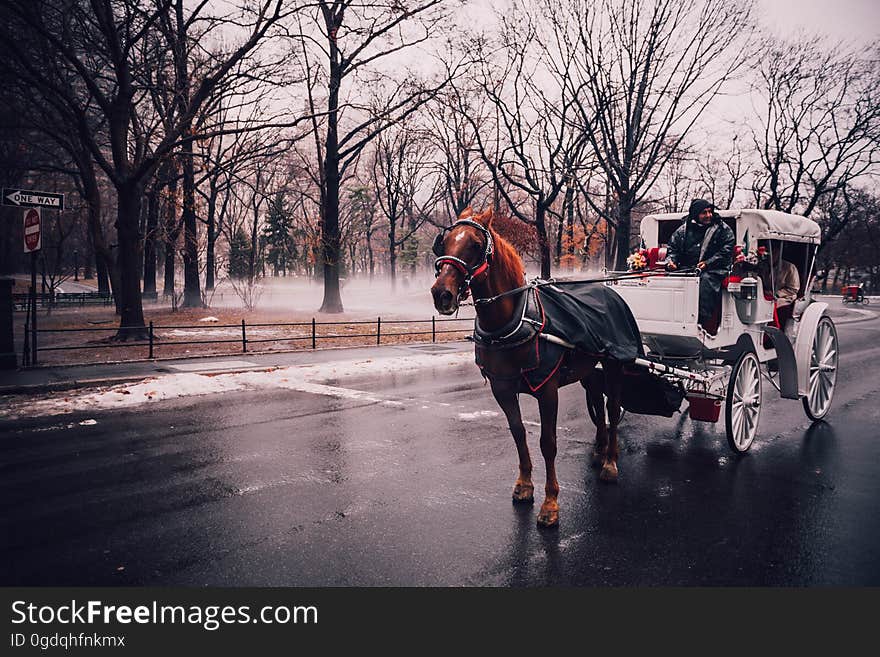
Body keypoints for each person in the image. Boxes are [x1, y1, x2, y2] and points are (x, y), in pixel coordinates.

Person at [665, 199, 736, 334]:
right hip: (688, 268)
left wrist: (708, 263)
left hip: (714, 269)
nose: (709, 215)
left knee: (705, 280)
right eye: (704, 213)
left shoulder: (722, 229)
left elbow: (726, 251)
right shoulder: (682, 230)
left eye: (710, 212)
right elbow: (672, 249)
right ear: (696, 214)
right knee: (671, 280)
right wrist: (671, 262)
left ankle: (701, 321)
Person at [758, 240, 800, 331]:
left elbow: (793, 289)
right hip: (765, 295)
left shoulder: (789, 268)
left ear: (778, 252)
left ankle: (776, 332)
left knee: (775, 309)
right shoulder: (762, 266)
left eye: (772, 252)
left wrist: (776, 294)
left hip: (784, 297)